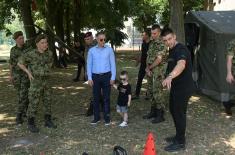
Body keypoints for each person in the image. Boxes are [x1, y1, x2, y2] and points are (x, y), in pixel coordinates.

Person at [161, 27, 194, 152]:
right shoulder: (171, 50)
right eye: (165, 40)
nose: (168, 42)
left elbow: (181, 64)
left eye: (170, 39)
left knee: (179, 113)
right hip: (176, 87)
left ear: (174, 36)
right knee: (173, 110)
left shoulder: (181, 49)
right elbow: (172, 65)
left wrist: (170, 76)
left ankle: (180, 142)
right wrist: (167, 76)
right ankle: (178, 135)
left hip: (184, 88)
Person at [18, 34, 56, 133]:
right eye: (42, 43)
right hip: (36, 82)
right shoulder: (31, 54)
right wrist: (28, 72)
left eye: (46, 42)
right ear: (37, 44)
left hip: (47, 81)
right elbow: (20, 63)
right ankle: (31, 123)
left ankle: (48, 120)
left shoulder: (50, 54)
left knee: (48, 101)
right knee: (33, 102)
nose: (45, 44)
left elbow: (50, 64)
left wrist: (46, 71)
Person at [87, 31, 116, 125]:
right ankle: (96, 118)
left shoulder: (109, 50)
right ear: (96, 39)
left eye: (104, 39)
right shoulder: (91, 51)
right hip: (95, 77)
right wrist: (89, 78)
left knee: (106, 98)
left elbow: (113, 64)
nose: (103, 41)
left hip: (107, 76)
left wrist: (113, 77)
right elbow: (89, 65)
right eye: (101, 39)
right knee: (96, 98)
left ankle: (107, 118)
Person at [142, 24, 167, 124]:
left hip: (158, 71)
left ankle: (160, 114)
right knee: (151, 91)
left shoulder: (162, 43)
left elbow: (159, 59)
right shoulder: (152, 43)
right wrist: (147, 68)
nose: (152, 35)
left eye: (154, 33)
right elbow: (149, 57)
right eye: (151, 33)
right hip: (150, 70)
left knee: (157, 92)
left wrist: (149, 67)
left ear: (159, 32)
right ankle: (153, 111)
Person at [9, 31, 30, 125]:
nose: (22, 40)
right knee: (21, 95)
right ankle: (25, 112)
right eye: (20, 38)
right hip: (17, 76)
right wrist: (10, 75)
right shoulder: (13, 50)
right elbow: (11, 63)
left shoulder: (28, 48)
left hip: (26, 75)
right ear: (16, 40)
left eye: (23, 38)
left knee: (24, 95)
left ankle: (19, 115)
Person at [132, 29, 151, 100]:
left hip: (150, 65)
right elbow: (142, 53)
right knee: (139, 78)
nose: (142, 36)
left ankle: (148, 94)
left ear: (147, 35)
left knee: (150, 80)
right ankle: (136, 94)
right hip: (143, 64)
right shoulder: (143, 43)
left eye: (143, 35)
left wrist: (149, 66)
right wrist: (138, 61)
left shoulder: (152, 44)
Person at [84, 32, 98, 116]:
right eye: (85, 40)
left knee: (95, 91)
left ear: (92, 37)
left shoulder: (98, 45)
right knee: (95, 90)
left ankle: (92, 109)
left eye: (88, 39)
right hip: (90, 73)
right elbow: (87, 61)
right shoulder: (87, 47)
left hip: (97, 72)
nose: (86, 41)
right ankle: (100, 107)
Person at [224, 39, 235, 116]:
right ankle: (228, 104)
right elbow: (229, 59)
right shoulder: (232, 43)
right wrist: (229, 73)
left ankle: (228, 104)